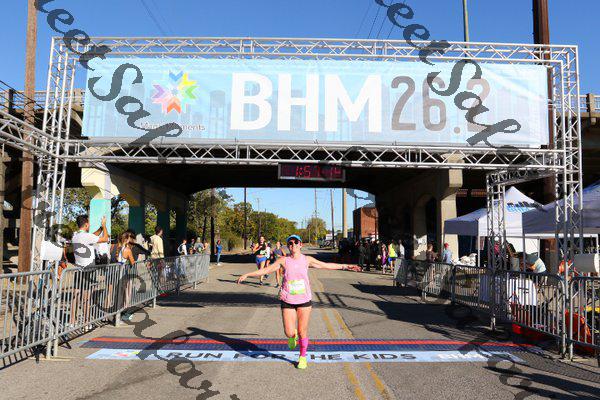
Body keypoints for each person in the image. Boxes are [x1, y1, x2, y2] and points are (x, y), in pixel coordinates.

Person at [237, 234, 361, 369]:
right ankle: (293, 336)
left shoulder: (307, 260)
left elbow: (326, 265)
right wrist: (247, 274)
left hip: (304, 300)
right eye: (290, 243)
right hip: (288, 300)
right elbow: (266, 270)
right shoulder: (284, 260)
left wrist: (346, 266)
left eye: (296, 242)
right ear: (288, 246)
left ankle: (302, 357)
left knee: (303, 331)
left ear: (300, 244)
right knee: (289, 332)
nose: (293, 245)